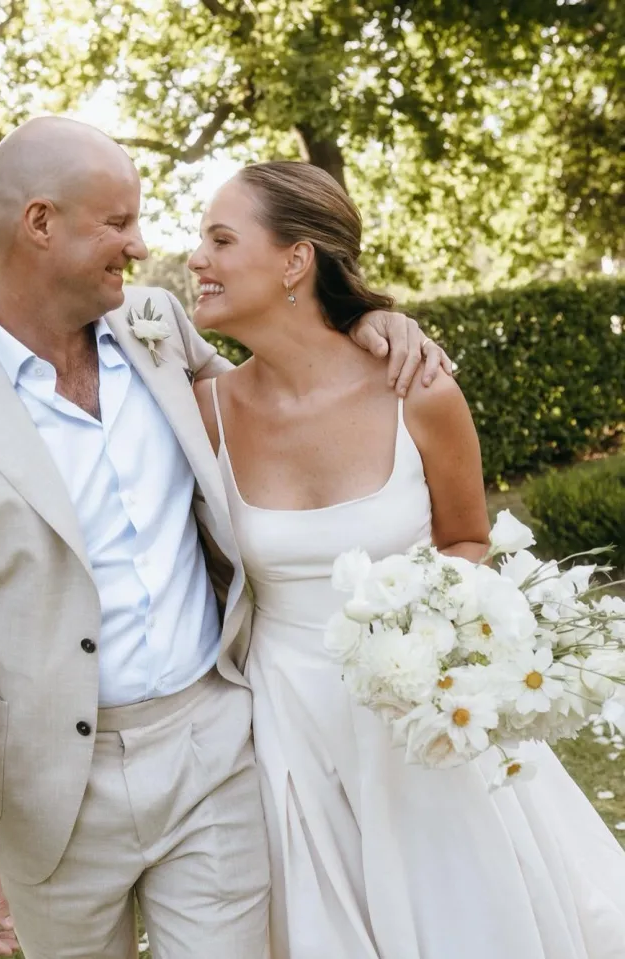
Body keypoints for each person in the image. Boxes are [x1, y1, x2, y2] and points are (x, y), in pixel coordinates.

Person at [0, 118, 447, 959]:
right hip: (46, 790)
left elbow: (279, 385)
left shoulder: (159, 325)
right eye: (119, 223)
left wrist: (376, 329)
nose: (141, 247)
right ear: (39, 224)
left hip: (211, 746)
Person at [189, 160, 625, 959]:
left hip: (423, 717)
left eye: (221, 238)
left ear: (295, 260)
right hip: (290, 724)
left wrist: (435, 652)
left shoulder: (416, 388)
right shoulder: (202, 412)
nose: (195, 258)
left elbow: (466, 537)